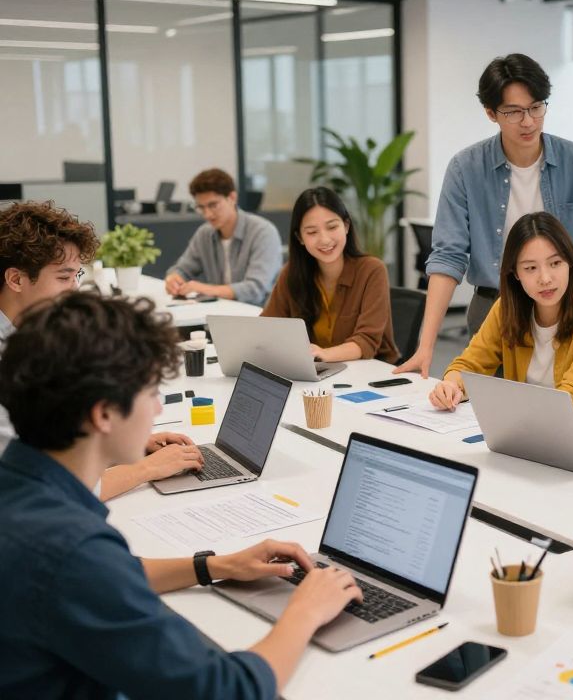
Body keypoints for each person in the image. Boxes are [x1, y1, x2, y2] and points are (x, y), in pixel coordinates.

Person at [0, 292, 363, 698]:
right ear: (103, 414)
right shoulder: (71, 550)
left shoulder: (19, 485)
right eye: (150, 393)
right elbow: (224, 690)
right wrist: (305, 612)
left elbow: (108, 576)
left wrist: (213, 565)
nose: (157, 410)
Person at [395, 53, 573, 377]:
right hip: (493, 308)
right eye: (514, 112)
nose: (529, 121)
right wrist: (425, 345)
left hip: (561, 307)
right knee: (487, 413)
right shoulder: (466, 168)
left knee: (562, 411)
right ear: (491, 113)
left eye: (537, 107)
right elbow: (448, 256)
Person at [0, 200, 204, 498]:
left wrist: (117, 441)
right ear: (16, 279)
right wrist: (145, 469)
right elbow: (26, 489)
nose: (74, 291)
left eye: (76, 277)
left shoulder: (28, 339)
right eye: (63, 277)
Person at [429, 212, 573, 424]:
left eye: (555, 263)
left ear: (570, 263)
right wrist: (451, 385)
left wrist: (517, 416)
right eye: (530, 268)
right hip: (525, 430)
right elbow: (470, 363)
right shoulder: (506, 309)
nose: (545, 279)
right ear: (516, 273)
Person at [262, 187, 399, 363]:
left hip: (370, 373)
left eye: (332, 227)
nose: (325, 239)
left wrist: (325, 354)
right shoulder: (292, 273)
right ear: (300, 238)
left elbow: (366, 340)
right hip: (316, 374)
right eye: (312, 232)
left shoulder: (372, 270)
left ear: (346, 226)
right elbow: (268, 327)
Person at [165, 168, 282, 306]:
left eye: (213, 205)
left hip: (259, 317)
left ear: (232, 198)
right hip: (219, 314)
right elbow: (183, 269)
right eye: (201, 207)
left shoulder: (263, 232)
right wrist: (174, 278)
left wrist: (205, 289)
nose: (207, 214)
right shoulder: (204, 234)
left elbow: (255, 289)